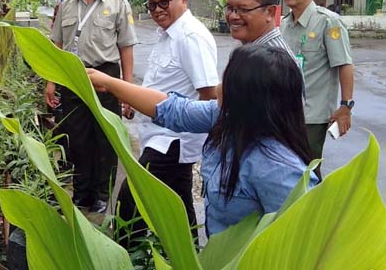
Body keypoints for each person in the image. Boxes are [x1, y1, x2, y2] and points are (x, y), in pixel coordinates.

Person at [87, 44, 319, 236]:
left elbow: (302, 240)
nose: (217, 86)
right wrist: (108, 82)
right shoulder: (227, 117)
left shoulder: (278, 169)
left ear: (247, 96)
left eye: (226, 81)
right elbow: (173, 109)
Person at [116, 0, 218, 247]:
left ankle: (127, 257)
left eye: (164, 3)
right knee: (178, 202)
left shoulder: (191, 37)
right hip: (159, 134)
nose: (158, 10)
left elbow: (209, 96)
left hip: (173, 139)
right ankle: (187, 255)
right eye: (152, 5)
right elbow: (160, 84)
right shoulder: (168, 35)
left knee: (132, 199)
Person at [46, 0, 138, 213]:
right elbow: (57, 45)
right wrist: (51, 81)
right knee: (76, 137)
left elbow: (127, 48)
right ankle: (81, 191)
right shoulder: (67, 5)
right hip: (73, 77)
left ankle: (100, 194)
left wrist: (127, 90)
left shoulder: (117, 4)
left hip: (106, 77)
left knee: (104, 137)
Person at [280, 0, 354, 177]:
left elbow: (344, 64)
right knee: (284, 170)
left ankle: (316, 210)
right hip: (284, 113)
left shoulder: (328, 22)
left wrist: (345, 106)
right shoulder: (284, 25)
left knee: (307, 172)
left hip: (312, 116)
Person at [226, 0, 293, 54]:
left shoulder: (271, 59)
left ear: (270, 12)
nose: (233, 16)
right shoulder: (248, 47)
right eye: (229, 8)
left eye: (243, 9)